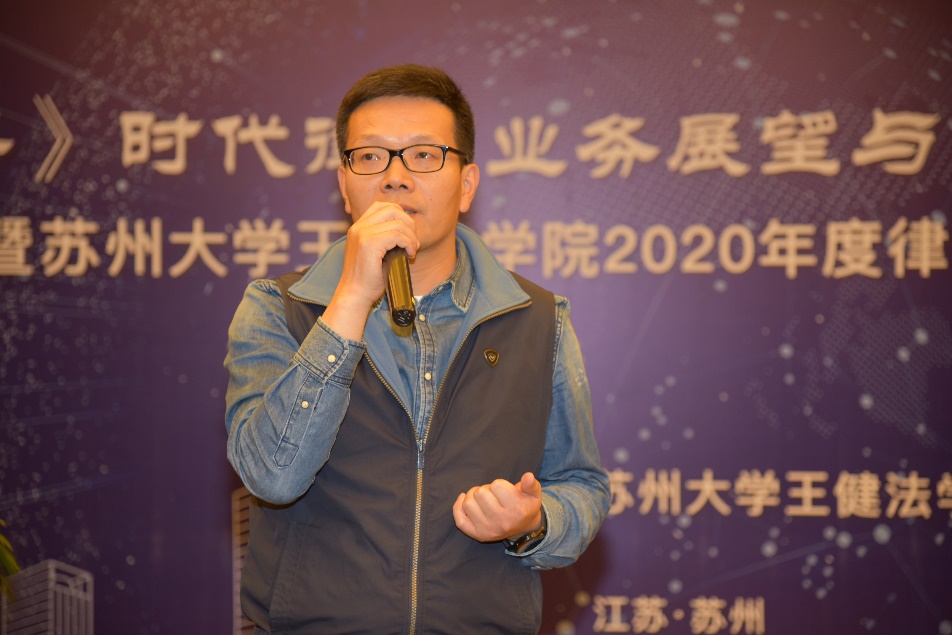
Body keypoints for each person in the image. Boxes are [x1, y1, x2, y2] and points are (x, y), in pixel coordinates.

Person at [224, 64, 610, 634]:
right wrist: (349, 301)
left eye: (425, 155)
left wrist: (534, 521)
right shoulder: (278, 307)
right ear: (344, 184)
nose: (396, 178)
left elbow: (582, 485)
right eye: (371, 156)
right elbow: (271, 476)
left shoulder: (537, 318)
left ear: (467, 184)